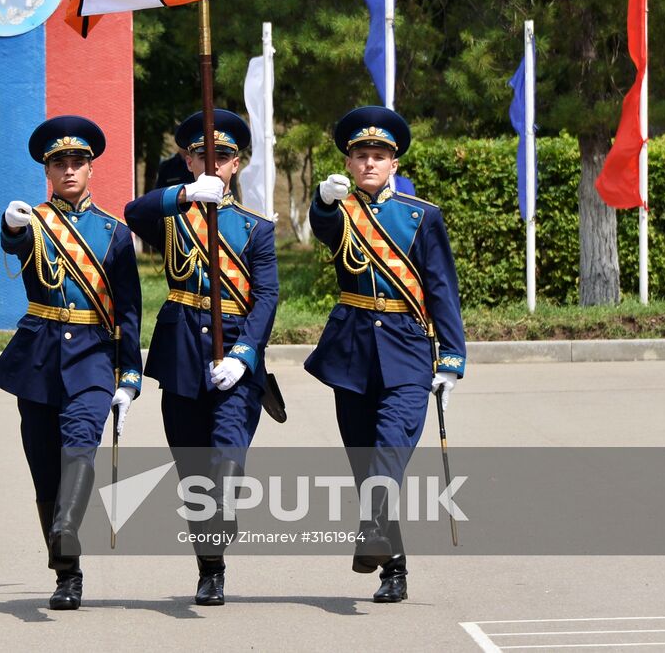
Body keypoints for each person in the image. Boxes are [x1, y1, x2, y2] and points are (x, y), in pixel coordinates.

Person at [306, 106, 467, 604]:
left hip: (407, 349)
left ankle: (374, 536)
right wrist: (322, 202)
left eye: (379, 156)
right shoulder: (340, 209)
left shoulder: (421, 216)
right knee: (366, 466)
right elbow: (324, 229)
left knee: (388, 451)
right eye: (361, 155)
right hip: (352, 351)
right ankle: (394, 566)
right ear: (349, 163)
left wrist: (451, 358)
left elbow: (441, 289)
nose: (370, 163)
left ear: (394, 163)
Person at [124, 109, 278, 606]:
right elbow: (133, 213)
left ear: (236, 164)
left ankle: (225, 511)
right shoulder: (173, 218)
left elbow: (267, 297)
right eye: (202, 156)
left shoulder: (255, 228)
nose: (213, 163)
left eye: (223, 156)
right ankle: (210, 568)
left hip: (234, 355)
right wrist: (186, 195)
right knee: (192, 472)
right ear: (189, 162)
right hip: (181, 357)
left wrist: (244, 355)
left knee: (226, 458)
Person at [0, 115, 142, 612]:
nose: (69, 170)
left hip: (93, 355)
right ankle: (67, 574)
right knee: (44, 471)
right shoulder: (33, 221)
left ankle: (67, 525)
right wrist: (11, 226)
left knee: (80, 442)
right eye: (60, 163)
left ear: (91, 169)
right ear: (47, 171)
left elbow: (128, 310)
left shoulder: (114, 233)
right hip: (39, 356)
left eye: (77, 162)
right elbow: (13, 244)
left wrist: (129, 376)